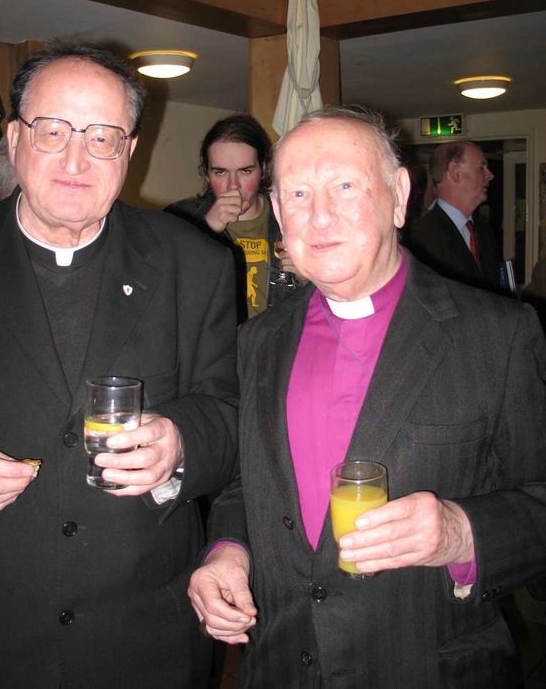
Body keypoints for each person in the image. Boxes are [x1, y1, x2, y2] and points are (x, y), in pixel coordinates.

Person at [0, 44, 240, 689]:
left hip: (145, 641)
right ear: (13, 138)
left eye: (103, 137)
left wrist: (180, 441)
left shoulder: (194, 263)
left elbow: (231, 411)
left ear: (130, 151)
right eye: (53, 131)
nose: (75, 159)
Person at [188, 106, 546, 688]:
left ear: (399, 194)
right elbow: (243, 480)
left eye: (346, 186)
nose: (320, 214)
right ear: (278, 212)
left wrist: (460, 531)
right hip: (282, 668)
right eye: (298, 194)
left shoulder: (498, 335)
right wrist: (227, 550)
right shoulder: (257, 342)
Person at [166, 114, 304, 322]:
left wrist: (307, 276)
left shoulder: (295, 217)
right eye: (221, 173)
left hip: (276, 347)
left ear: (263, 169)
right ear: (207, 174)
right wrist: (205, 229)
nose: (233, 186)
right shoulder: (181, 218)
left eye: (245, 171)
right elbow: (161, 288)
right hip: (212, 350)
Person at [405, 140, 501, 289]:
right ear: (455, 172)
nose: (490, 175)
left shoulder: (484, 231)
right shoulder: (422, 237)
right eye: (481, 168)